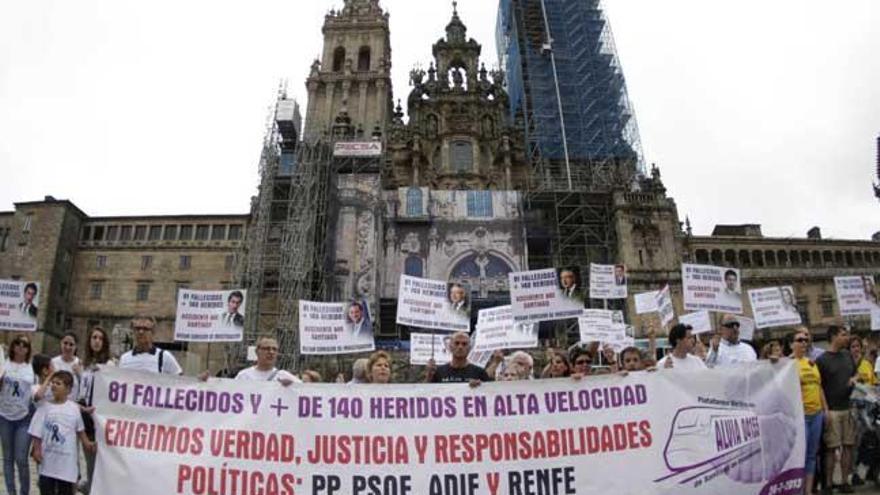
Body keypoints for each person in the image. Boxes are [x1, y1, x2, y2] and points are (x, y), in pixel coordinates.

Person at [28, 370, 95, 495]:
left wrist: (87, 444)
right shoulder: (44, 407)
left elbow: (80, 430)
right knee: (47, 490)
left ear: (68, 389)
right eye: (52, 383)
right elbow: (36, 432)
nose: (53, 385)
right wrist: (37, 449)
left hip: (67, 465)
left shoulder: (74, 408)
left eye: (58, 383)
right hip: (47, 463)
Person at [816, 324, 857, 494]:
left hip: (848, 408)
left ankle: (845, 482)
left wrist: (854, 379)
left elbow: (855, 374)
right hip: (832, 410)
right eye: (843, 334)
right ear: (833, 337)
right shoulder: (822, 360)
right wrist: (825, 410)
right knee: (832, 449)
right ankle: (828, 484)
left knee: (848, 446)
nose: (847, 337)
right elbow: (818, 387)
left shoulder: (848, 355)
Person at [78, 327, 115, 495]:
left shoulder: (109, 364)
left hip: (99, 418)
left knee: (98, 463)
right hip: (84, 415)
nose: (97, 341)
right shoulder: (83, 364)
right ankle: (89, 486)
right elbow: (81, 392)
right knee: (89, 460)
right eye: (94, 337)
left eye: (100, 338)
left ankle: (92, 488)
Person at [791, 327, 828, 495]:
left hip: (817, 415)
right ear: (792, 344)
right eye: (799, 340)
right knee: (800, 455)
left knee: (812, 455)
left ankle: (808, 491)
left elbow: (819, 387)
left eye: (805, 340)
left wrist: (825, 410)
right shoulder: (788, 364)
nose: (804, 343)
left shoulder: (812, 363)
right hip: (801, 416)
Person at [0, 336, 34, 495]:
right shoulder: (4, 364)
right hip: (5, 415)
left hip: (23, 417)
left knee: (21, 458)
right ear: (13, 346)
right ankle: (11, 491)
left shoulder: (30, 367)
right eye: (18, 343)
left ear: (28, 349)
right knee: (7, 458)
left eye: (25, 345)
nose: (21, 347)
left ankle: (24, 492)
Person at [425, 332, 489, 386]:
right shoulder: (438, 372)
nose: (460, 347)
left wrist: (480, 387)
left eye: (464, 344)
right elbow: (426, 394)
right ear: (450, 347)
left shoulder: (480, 372)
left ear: (469, 348)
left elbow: (489, 394)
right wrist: (429, 376)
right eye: (457, 343)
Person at [235, 337, 300, 386]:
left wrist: (292, 386)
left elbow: (305, 390)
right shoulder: (244, 376)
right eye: (267, 348)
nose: (271, 352)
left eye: (274, 349)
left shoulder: (284, 376)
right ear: (257, 351)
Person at [50, 333, 81, 401]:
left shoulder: (79, 363)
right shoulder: (53, 362)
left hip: (73, 405)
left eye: (71, 344)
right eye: (65, 343)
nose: (68, 347)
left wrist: (80, 374)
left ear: (76, 347)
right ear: (61, 343)